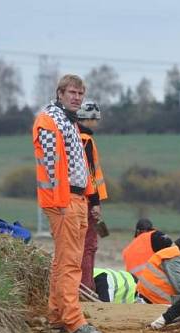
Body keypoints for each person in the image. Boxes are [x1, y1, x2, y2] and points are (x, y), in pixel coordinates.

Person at [32, 74, 102, 333]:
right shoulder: (51, 120)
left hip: (76, 199)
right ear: (60, 93)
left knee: (63, 261)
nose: (77, 97)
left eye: (80, 93)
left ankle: (57, 315)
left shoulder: (69, 122)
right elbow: (51, 167)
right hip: (64, 201)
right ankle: (73, 320)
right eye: (72, 92)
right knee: (71, 263)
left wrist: (88, 199)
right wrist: (60, 202)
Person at [77, 100, 108, 294]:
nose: (96, 124)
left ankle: (82, 286)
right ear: (89, 119)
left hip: (80, 199)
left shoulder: (75, 136)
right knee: (89, 246)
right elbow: (89, 174)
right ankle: (86, 288)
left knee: (80, 245)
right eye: (95, 120)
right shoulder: (85, 139)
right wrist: (95, 202)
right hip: (88, 201)